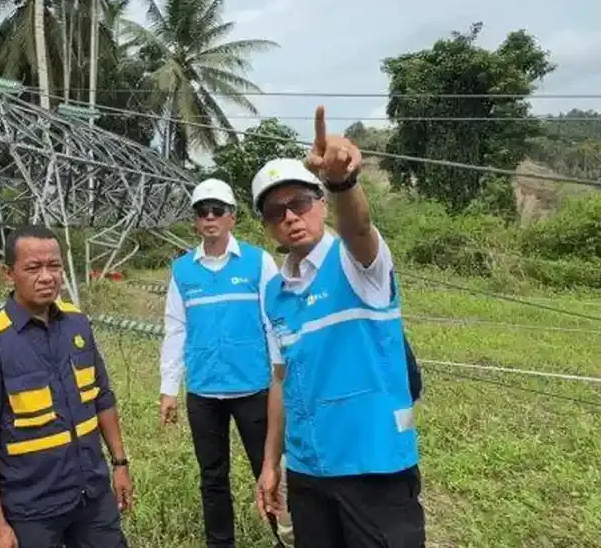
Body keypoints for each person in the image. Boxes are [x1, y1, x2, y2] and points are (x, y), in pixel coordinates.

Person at [253, 107, 425, 547]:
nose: (290, 217)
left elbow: (360, 226)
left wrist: (343, 181)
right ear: (268, 225)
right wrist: (272, 462)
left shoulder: (355, 262)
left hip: (374, 466)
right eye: (276, 212)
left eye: (300, 203)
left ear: (320, 203)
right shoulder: (275, 293)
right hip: (309, 471)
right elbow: (280, 378)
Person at [0, 225, 135, 548]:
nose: (47, 277)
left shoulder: (78, 324)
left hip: (92, 494)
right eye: (33, 268)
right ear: (7, 274)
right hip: (32, 509)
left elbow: (102, 397)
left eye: (54, 266)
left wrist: (120, 464)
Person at [158, 178, 292, 547]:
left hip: (253, 388)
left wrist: (283, 378)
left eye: (218, 210)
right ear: (196, 221)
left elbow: (274, 324)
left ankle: (285, 538)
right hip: (202, 392)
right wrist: (169, 388)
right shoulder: (183, 271)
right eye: (203, 212)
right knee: (212, 476)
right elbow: (176, 328)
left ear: (232, 217)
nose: (210, 218)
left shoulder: (257, 262)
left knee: (267, 470)